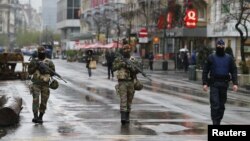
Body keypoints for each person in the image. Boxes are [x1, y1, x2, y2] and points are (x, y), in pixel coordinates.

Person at [202, 39, 238, 125]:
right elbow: (205, 71)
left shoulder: (229, 58)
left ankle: (218, 121)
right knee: (215, 104)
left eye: (222, 46)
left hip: (224, 84)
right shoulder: (211, 57)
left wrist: (235, 83)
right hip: (214, 84)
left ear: (224, 46)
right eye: (219, 46)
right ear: (216, 46)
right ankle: (215, 123)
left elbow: (233, 71)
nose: (220, 47)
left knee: (221, 106)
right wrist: (205, 83)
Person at [113, 44, 140, 125]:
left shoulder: (133, 59)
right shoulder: (119, 59)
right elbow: (113, 68)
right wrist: (122, 64)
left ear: (130, 50)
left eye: (128, 49)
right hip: (122, 82)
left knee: (129, 100)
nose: (126, 51)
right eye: (125, 50)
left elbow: (137, 70)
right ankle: (123, 117)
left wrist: (131, 68)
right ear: (123, 50)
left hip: (131, 82)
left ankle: (127, 116)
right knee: (123, 99)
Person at [28, 46, 56, 124]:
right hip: (36, 84)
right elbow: (29, 71)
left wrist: (45, 70)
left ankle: (40, 116)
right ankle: (35, 116)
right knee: (35, 100)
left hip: (45, 84)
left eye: (43, 52)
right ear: (38, 52)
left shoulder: (49, 62)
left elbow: (53, 72)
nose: (41, 54)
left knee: (44, 101)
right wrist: (36, 66)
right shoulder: (34, 61)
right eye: (40, 52)